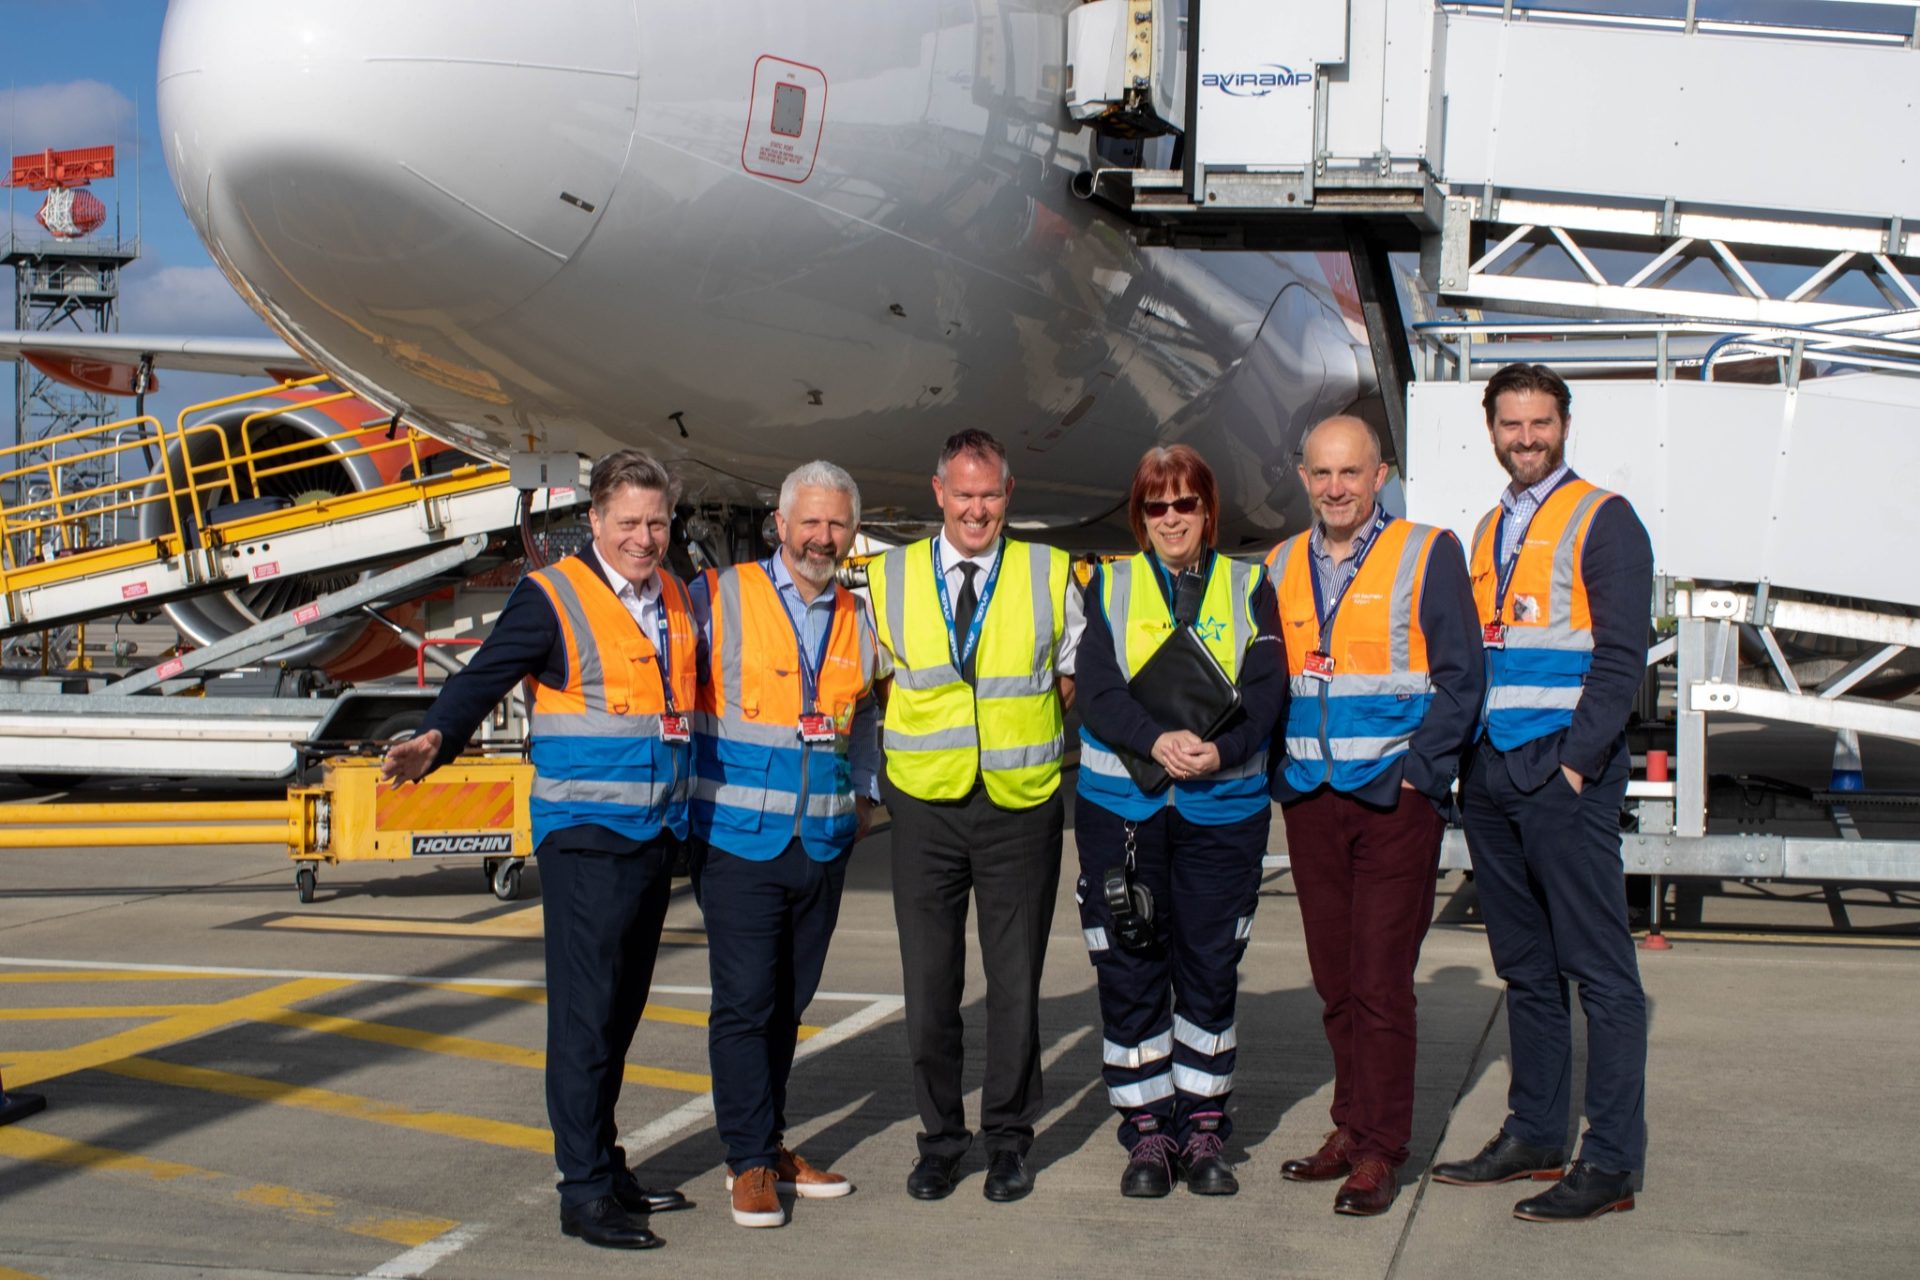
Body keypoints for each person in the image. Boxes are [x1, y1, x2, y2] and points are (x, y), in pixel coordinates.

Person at [381, 449, 696, 1251]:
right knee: (586, 1018)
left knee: (620, 1015)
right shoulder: (551, 595)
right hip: (586, 837)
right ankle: (583, 1190)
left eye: (656, 522)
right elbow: (483, 678)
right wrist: (436, 737)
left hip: (656, 831)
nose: (643, 536)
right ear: (593, 522)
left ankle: (606, 1160)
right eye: (627, 522)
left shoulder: (674, 595)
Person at [1430, 362, 1653, 1223]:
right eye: (1512, 425)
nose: (1527, 439)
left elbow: (1621, 655)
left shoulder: (1605, 520)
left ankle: (1612, 1161)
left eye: (1541, 424)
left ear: (1565, 425)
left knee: (1599, 970)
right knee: (1524, 968)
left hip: (1563, 774)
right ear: (1491, 430)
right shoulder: (1487, 530)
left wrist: (1574, 762)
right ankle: (1534, 1133)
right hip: (1491, 774)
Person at [1265, 416, 1483, 1216]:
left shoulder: (1428, 552)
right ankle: (1350, 1128)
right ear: (1302, 478)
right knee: (1335, 982)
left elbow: (1463, 675)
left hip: (1394, 801)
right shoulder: (1283, 563)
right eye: (1321, 474)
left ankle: (1382, 1151)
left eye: (1350, 474)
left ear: (1380, 474)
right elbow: (1271, 682)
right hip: (1313, 801)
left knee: (1382, 983)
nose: (1336, 489)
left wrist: (1422, 779)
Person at [866, 429, 1083, 1204]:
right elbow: (874, 684)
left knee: (1015, 983)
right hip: (925, 807)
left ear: (1007, 493)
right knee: (929, 988)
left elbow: (1069, 681)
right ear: (938, 494)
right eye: (963, 495)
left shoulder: (1050, 572)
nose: (977, 509)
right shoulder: (887, 577)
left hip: (1018, 806)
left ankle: (1009, 1138)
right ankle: (940, 1139)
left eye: (990, 495)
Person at [1072, 444, 1286, 1198]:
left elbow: (1267, 693)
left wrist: (1222, 749)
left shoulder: (1252, 585)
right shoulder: (1109, 585)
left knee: (1210, 969)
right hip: (1124, 811)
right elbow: (1095, 691)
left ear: (1207, 511)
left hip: (1220, 811)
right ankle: (1146, 1130)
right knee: (1130, 969)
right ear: (1140, 515)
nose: (1171, 519)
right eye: (1156, 506)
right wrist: (1155, 741)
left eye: (1184, 504)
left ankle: (1202, 1126)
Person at [687, 460, 881, 1228]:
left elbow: (865, 714)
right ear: (780, 524)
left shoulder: (856, 618)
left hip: (823, 841)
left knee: (788, 1004)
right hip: (737, 838)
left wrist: (864, 791)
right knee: (744, 1002)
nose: (822, 537)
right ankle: (747, 1163)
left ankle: (767, 1140)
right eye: (811, 522)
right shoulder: (718, 598)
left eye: (836, 524)